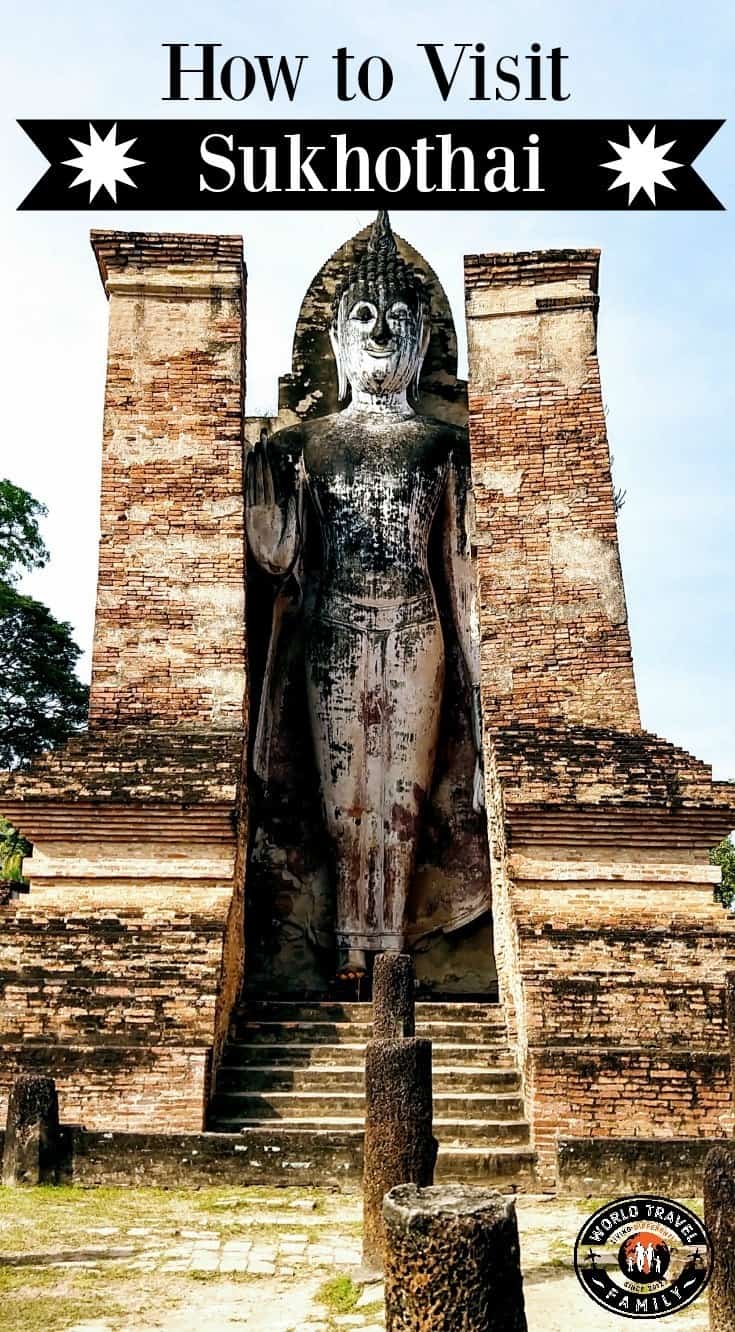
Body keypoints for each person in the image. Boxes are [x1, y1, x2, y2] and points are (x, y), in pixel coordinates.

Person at [246, 211, 483, 982]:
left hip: (419, 630)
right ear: (339, 340)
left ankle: (394, 951)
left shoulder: (445, 446)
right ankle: (353, 947)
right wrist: (262, 493)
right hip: (332, 630)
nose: (380, 333)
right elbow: (279, 559)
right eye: (364, 318)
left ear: (420, 340)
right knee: (343, 802)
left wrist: (482, 703)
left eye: (397, 321)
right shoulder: (301, 446)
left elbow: (460, 575)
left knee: (404, 802)